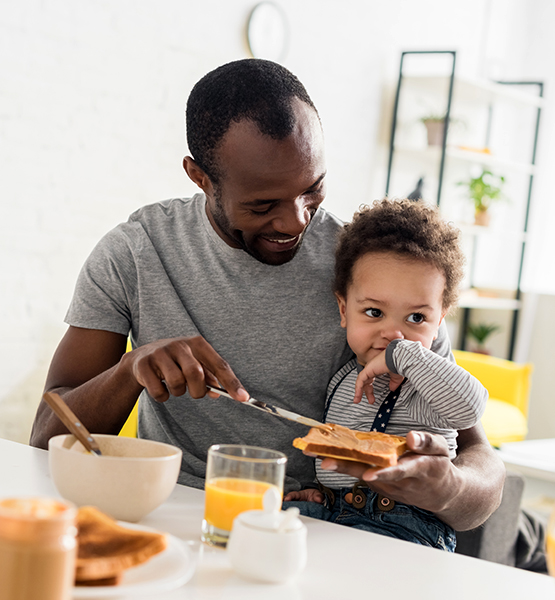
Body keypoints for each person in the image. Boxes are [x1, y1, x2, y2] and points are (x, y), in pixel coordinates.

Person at [30, 58, 505, 534]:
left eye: (312, 190)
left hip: (326, 527)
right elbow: (45, 440)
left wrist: (446, 488)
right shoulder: (136, 253)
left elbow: (479, 473)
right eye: (263, 205)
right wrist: (129, 370)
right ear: (200, 177)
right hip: (181, 517)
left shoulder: (372, 270)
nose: (297, 221)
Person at [283, 198, 488, 550]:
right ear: (344, 310)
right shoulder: (342, 379)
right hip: (336, 511)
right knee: (270, 522)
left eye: (416, 319)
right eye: (375, 312)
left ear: (440, 321)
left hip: (406, 525)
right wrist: (319, 493)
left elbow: (471, 407)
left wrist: (405, 355)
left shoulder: (427, 383)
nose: (394, 333)